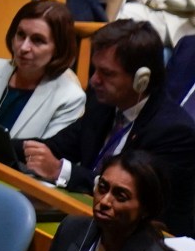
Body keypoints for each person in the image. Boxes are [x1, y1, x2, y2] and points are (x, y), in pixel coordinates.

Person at [20, 19, 195, 230]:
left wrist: (60, 170)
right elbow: (56, 146)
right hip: (81, 218)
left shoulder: (173, 131)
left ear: (142, 79)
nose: (94, 81)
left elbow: (128, 196)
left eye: (107, 73)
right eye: (95, 70)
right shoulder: (104, 103)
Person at [0, 0, 89, 141]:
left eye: (37, 40)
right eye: (21, 35)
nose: (23, 48)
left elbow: (41, 158)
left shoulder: (69, 98)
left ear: (59, 48)